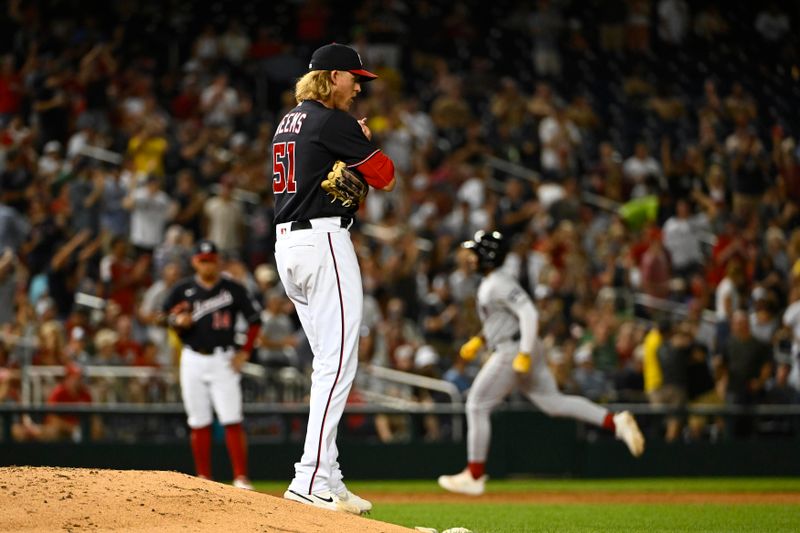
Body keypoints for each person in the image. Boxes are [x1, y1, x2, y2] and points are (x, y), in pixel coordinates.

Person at [272, 42, 395, 515]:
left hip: (289, 246)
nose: (359, 87)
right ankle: (309, 477)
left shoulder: (289, 121)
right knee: (338, 362)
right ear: (332, 77)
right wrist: (362, 144)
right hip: (323, 244)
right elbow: (385, 176)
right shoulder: (333, 121)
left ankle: (329, 476)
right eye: (354, 78)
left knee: (327, 360)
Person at [437, 230, 645, 496]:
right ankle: (616, 423)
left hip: (514, 350)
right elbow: (503, 319)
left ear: (487, 256)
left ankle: (474, 475)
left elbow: (529, 312)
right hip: (515, 345)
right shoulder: (494, 281)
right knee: (554, 403)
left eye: (476, 253)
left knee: (476, 405)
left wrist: (523, 352)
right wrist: (480, 339)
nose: (471, 258)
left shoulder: (498, 283)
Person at [160, 239, 262, 490]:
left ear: (218, 261)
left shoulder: (232, 288)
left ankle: (240, 477)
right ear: (195, 261)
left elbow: (255, 320)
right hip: (193, 357)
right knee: (198, 420)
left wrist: (245, 352)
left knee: (232, 418)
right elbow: (163, 315)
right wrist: (176, 321)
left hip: (223, 359)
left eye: (211, 260)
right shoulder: (183, 289)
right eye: (203, 260)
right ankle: (204, 477)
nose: (207, 265)